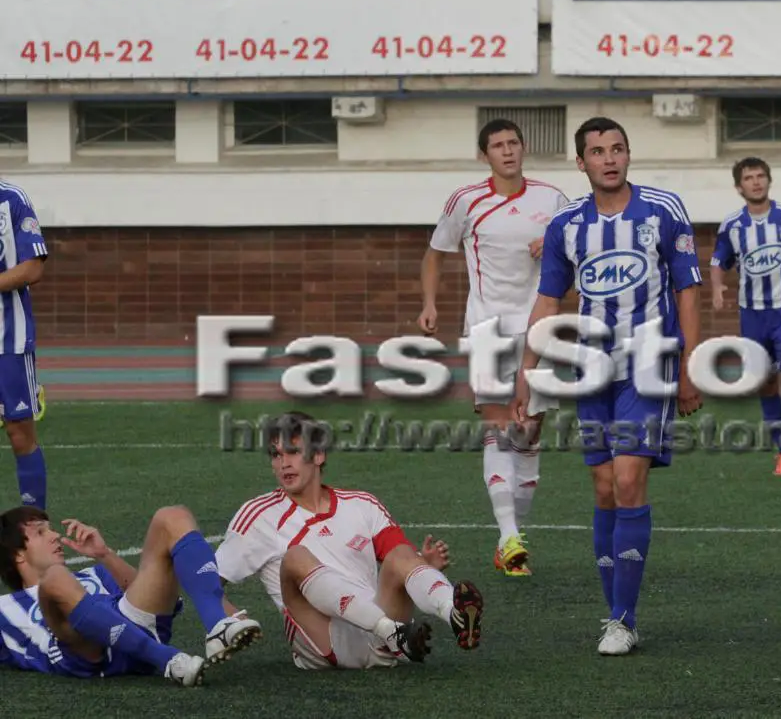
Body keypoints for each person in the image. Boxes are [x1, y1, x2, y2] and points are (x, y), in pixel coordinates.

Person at [512, 116, 703, 657]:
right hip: (590, 368)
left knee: (626, 482)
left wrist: (688, 365)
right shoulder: (566, 225)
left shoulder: (663, 210)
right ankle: (613, 613)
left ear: (628, 154)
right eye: (597, 151)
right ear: (582, 163)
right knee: (601, 489)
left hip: (649, 363)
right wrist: (527, 372)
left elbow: (688, 289)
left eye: (618, 148)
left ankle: (623, 618)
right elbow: (549, 301)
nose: (610, 158)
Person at [214, 411, 483, 670]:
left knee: (400, 553)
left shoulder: (362, 504)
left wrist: (422, 564)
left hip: (382, 630)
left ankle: (453, 613)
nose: (284, 463)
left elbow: (401, 561)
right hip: (324, 640)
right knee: (295, 556)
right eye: (276, 454)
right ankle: (391, 632)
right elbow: (207, 580)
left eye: (293, 451)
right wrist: (232, 619)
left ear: (318, 455)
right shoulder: (259, 514)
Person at [419, 118, 569, 578]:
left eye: (513, 143)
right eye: (497, 145)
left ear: (524, 149)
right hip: (487, 326)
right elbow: (434, 253)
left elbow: (578, 252)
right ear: (485, 155)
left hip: (540, 327)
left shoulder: (553, 199)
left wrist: (556, 246)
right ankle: (508, 535)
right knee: (500, 427)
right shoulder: (466, 200)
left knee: (529, 434)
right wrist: (429, 304)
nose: (507, 151)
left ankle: (511, 537)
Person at [0, 503, 263, 685]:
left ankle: (217, 624)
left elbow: (153, 598)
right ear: (18, 554)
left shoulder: (93, 574)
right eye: (41, 532)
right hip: (80, 652)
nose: (55, 535)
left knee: (172, 515)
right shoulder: (6, 608)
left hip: (130, 627)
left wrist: (105, 555)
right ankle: (168, 659)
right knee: (55, 579)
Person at [709, 156, 781, 476]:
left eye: (760, 176)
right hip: (752, 315)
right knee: (766, 383)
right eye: (749, 178)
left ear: (768, 180)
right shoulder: (732, 226)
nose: (756, 182)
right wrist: (717, 288)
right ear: (738, 186)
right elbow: (718, 261)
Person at [0, 180, 49, 510]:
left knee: (20, 434)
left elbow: (33, 268)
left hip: (9, 339)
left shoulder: (12, 200)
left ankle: (34, 523)